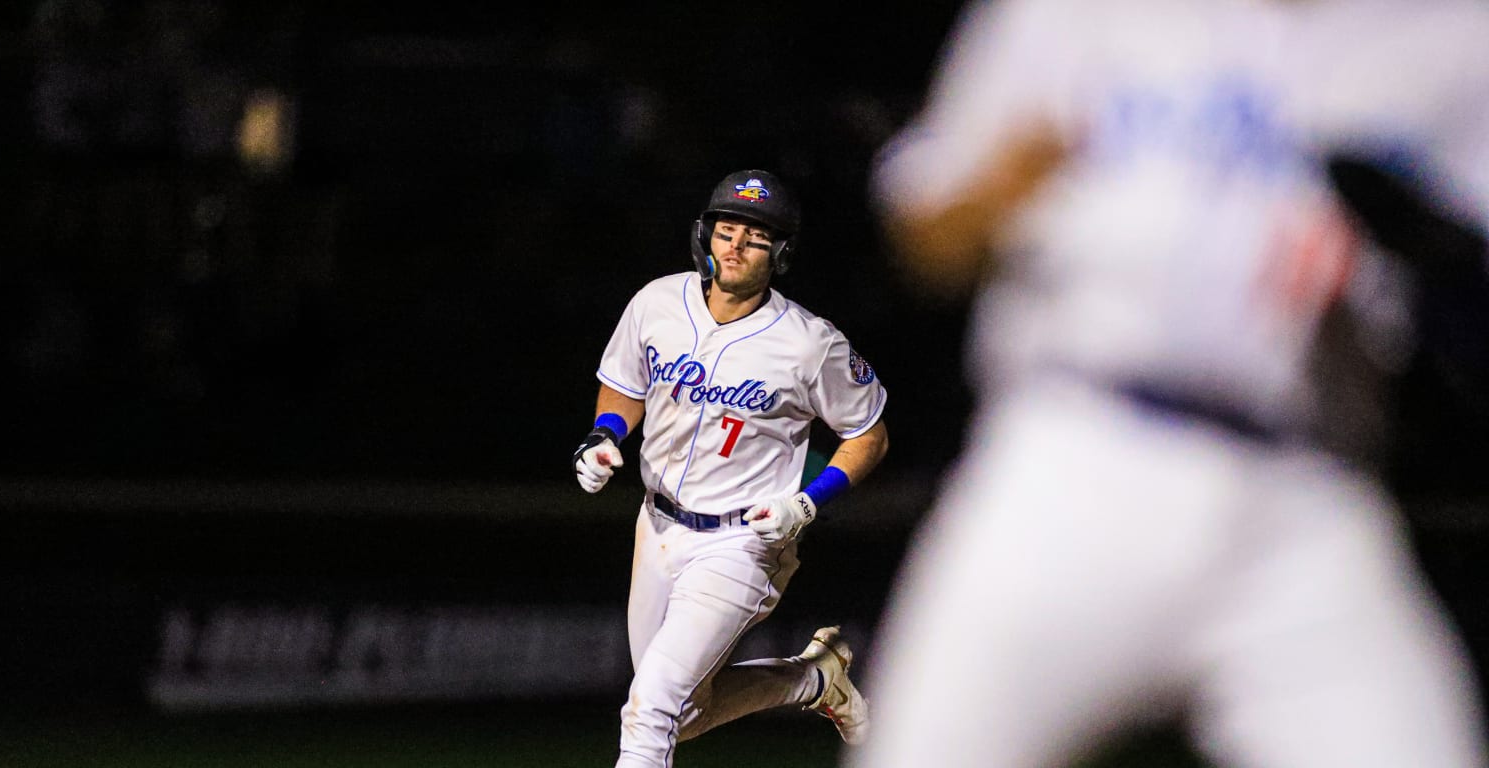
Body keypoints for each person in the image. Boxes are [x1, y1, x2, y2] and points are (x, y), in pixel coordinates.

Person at [853, 0, 1489, 766]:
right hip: (1079, 460)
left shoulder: (1452, 31)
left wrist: (1441, 259)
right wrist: (996, 193)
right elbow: (925, 232)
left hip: (1306, 495)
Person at [574, 169, 891, 768]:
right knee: (683, 714)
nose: (737, 245)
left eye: (756, 235)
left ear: (782, 251)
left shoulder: (810, 342)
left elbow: (867, 434)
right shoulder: (657, 302)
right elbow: (623, 385)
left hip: (744, 541)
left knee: (651, 707)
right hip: (658, 525)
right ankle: (812, 680)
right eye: (726, 230)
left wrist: (810, 499)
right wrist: (605, 435)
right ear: (705, 236)